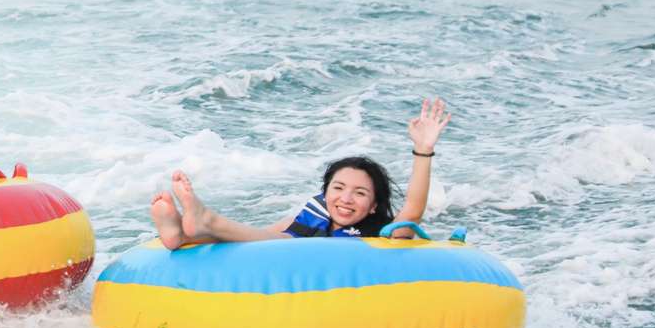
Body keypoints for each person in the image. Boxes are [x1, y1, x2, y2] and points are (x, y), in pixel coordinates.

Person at [150, 99, 452, 248]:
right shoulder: (317, 213)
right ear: (326, 191)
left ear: (373, 205)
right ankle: (183, 235)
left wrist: (423, 150)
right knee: (272, 238)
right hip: (283, 253)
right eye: (338, 188)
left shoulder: (384, 234)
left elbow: (413, 208)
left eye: (360, 193)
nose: (345, 199)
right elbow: (266, 236)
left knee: (275, 242)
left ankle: (205, 221)